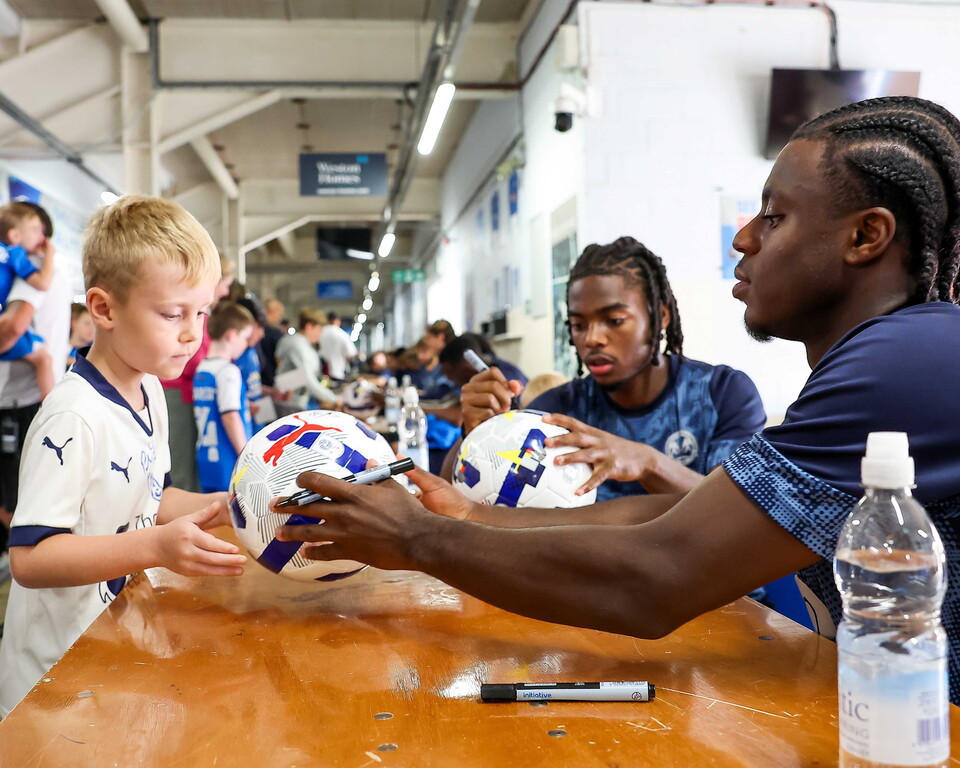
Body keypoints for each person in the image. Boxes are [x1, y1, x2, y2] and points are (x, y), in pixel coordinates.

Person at [274, 96, 960, 705]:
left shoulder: (905, 360)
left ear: (865, 237)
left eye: (774, 217)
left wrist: (416, 538)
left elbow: (660, 572)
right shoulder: (903, 353)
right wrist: (472, 516)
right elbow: (685, 514)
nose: (743, 238)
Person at [0, 195, 246, 716]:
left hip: (112, 657)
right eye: (173, 314)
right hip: (51, 685)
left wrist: (225, 505)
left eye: (201, 313)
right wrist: (154, 547)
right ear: (104, 309)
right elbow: (31, 558)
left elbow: (152, 498)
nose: (192, 334)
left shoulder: (150, 390)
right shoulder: (74, 417)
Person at [453, 237, 765, 498]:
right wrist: (476, 434)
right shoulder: (556, 412)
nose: (592, 339)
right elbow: (469, 496)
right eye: (578, 325)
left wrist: (649, 463)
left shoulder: (722, 393)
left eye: (614, 320)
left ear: (660, 316)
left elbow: (735, 509)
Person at [160, 253, 235, 492]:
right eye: (225, 285)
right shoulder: (190, 315)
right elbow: (190, 359)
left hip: (185, 394)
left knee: (188, 465)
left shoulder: (199, 315)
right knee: (180, 465)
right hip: (177, 394)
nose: (225, 292)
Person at [193, 303, 255, 493]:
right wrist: (246, 456)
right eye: (245, 338)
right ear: (231, 335)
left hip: (206, 458)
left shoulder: (202, 368)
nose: (246, 345)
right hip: (228, 459)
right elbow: (230, 416)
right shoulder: (228, 371)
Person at [0, 202, 57, 398]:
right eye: (35, 230)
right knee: (44, 358)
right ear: (15, 236)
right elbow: (42, 283)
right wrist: (49, 255)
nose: (41, 237)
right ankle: (50, 405)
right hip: (16, 399)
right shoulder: (14, 254)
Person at [275, 307, 339, 410]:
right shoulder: (298, 345)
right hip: (290, 404)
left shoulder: (292, 341)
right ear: (309, 326)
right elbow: (308, 379)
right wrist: (334, 399)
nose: (320, 334)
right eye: (319, 330)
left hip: (291, 400)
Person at [438, 332, 528, 390]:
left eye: (449, 373)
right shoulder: (490, 364)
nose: (448, 378)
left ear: (467, 368)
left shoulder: (508, 379)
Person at [318, 311, 357, 381]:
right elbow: (351, 355)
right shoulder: (342, 335)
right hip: (336, 373)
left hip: (319, 374)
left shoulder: (318, 333)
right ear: (338, 321)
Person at [258, 297, 286, 388]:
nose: (280, 318)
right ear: (273, 312)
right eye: (279, 314)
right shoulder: (275, 333)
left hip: (259, 376)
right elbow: (280, 359)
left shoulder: (258, 330)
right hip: (271, 378)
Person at [66, 302, 95, 370]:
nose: (92, 329)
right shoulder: (60, 346)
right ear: (74, 322)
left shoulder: (94, 353)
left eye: (94, 325)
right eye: (87, 323)